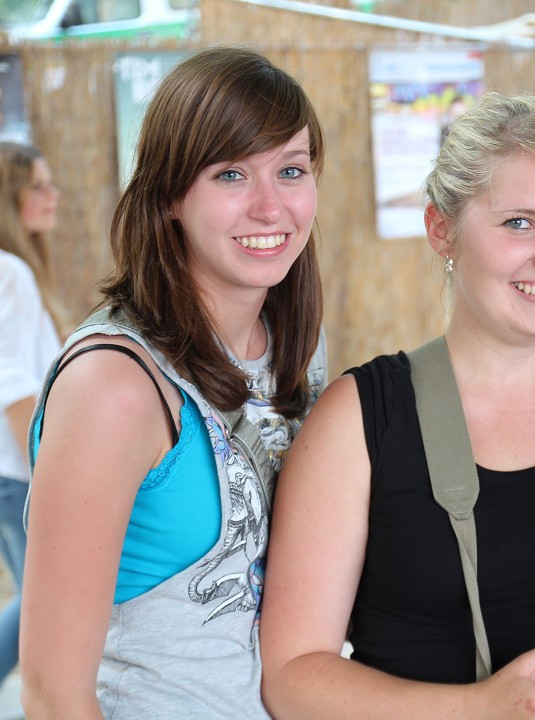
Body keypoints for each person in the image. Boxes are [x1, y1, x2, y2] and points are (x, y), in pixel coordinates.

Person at [260, 93, 535, 719]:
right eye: (519, 222)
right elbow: (294, 677)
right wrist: (477, 709)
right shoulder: (361, 418)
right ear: (442, 228)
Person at [20, 47, 327, 718]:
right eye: (232, 174)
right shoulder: (117, 387)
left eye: (292, 170)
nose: (271, 206)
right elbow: (51, 696)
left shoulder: (293, 348)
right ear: (168, 197)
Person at [0, 141, 62, 687]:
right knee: (46, 606)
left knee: (34, 600)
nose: (52, 196)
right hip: (19, 472)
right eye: (38, 186)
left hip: (9, 472)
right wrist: (49, 476)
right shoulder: (10, 272)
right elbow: (13, 385)